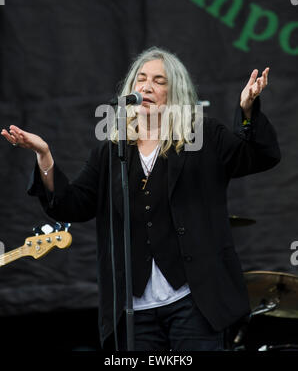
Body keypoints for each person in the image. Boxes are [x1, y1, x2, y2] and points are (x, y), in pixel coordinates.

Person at [1, 47, 281, 351]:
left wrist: (248, 110)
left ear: (175, 93)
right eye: (141, 79)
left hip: (195, 303)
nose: (146, 87)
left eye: (159, 81)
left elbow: (259, 156)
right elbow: (71, 205)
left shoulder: (202, 136)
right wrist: (45, 155)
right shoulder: (111, 151)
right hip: (134, 311)